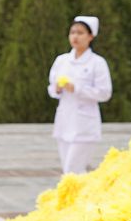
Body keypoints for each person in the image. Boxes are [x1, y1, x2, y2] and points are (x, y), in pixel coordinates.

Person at [47, 15, 113, 175]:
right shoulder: (61, 61)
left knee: (73, 169)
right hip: (64, 121)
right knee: (68, 170)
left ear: (90, 36)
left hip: (84, 124)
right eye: (72, 32)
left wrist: (76, 88)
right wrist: (57, 89)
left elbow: (105, 93)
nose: (75, 36)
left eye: (80, 33)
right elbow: (51, 87)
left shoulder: (97, 62)